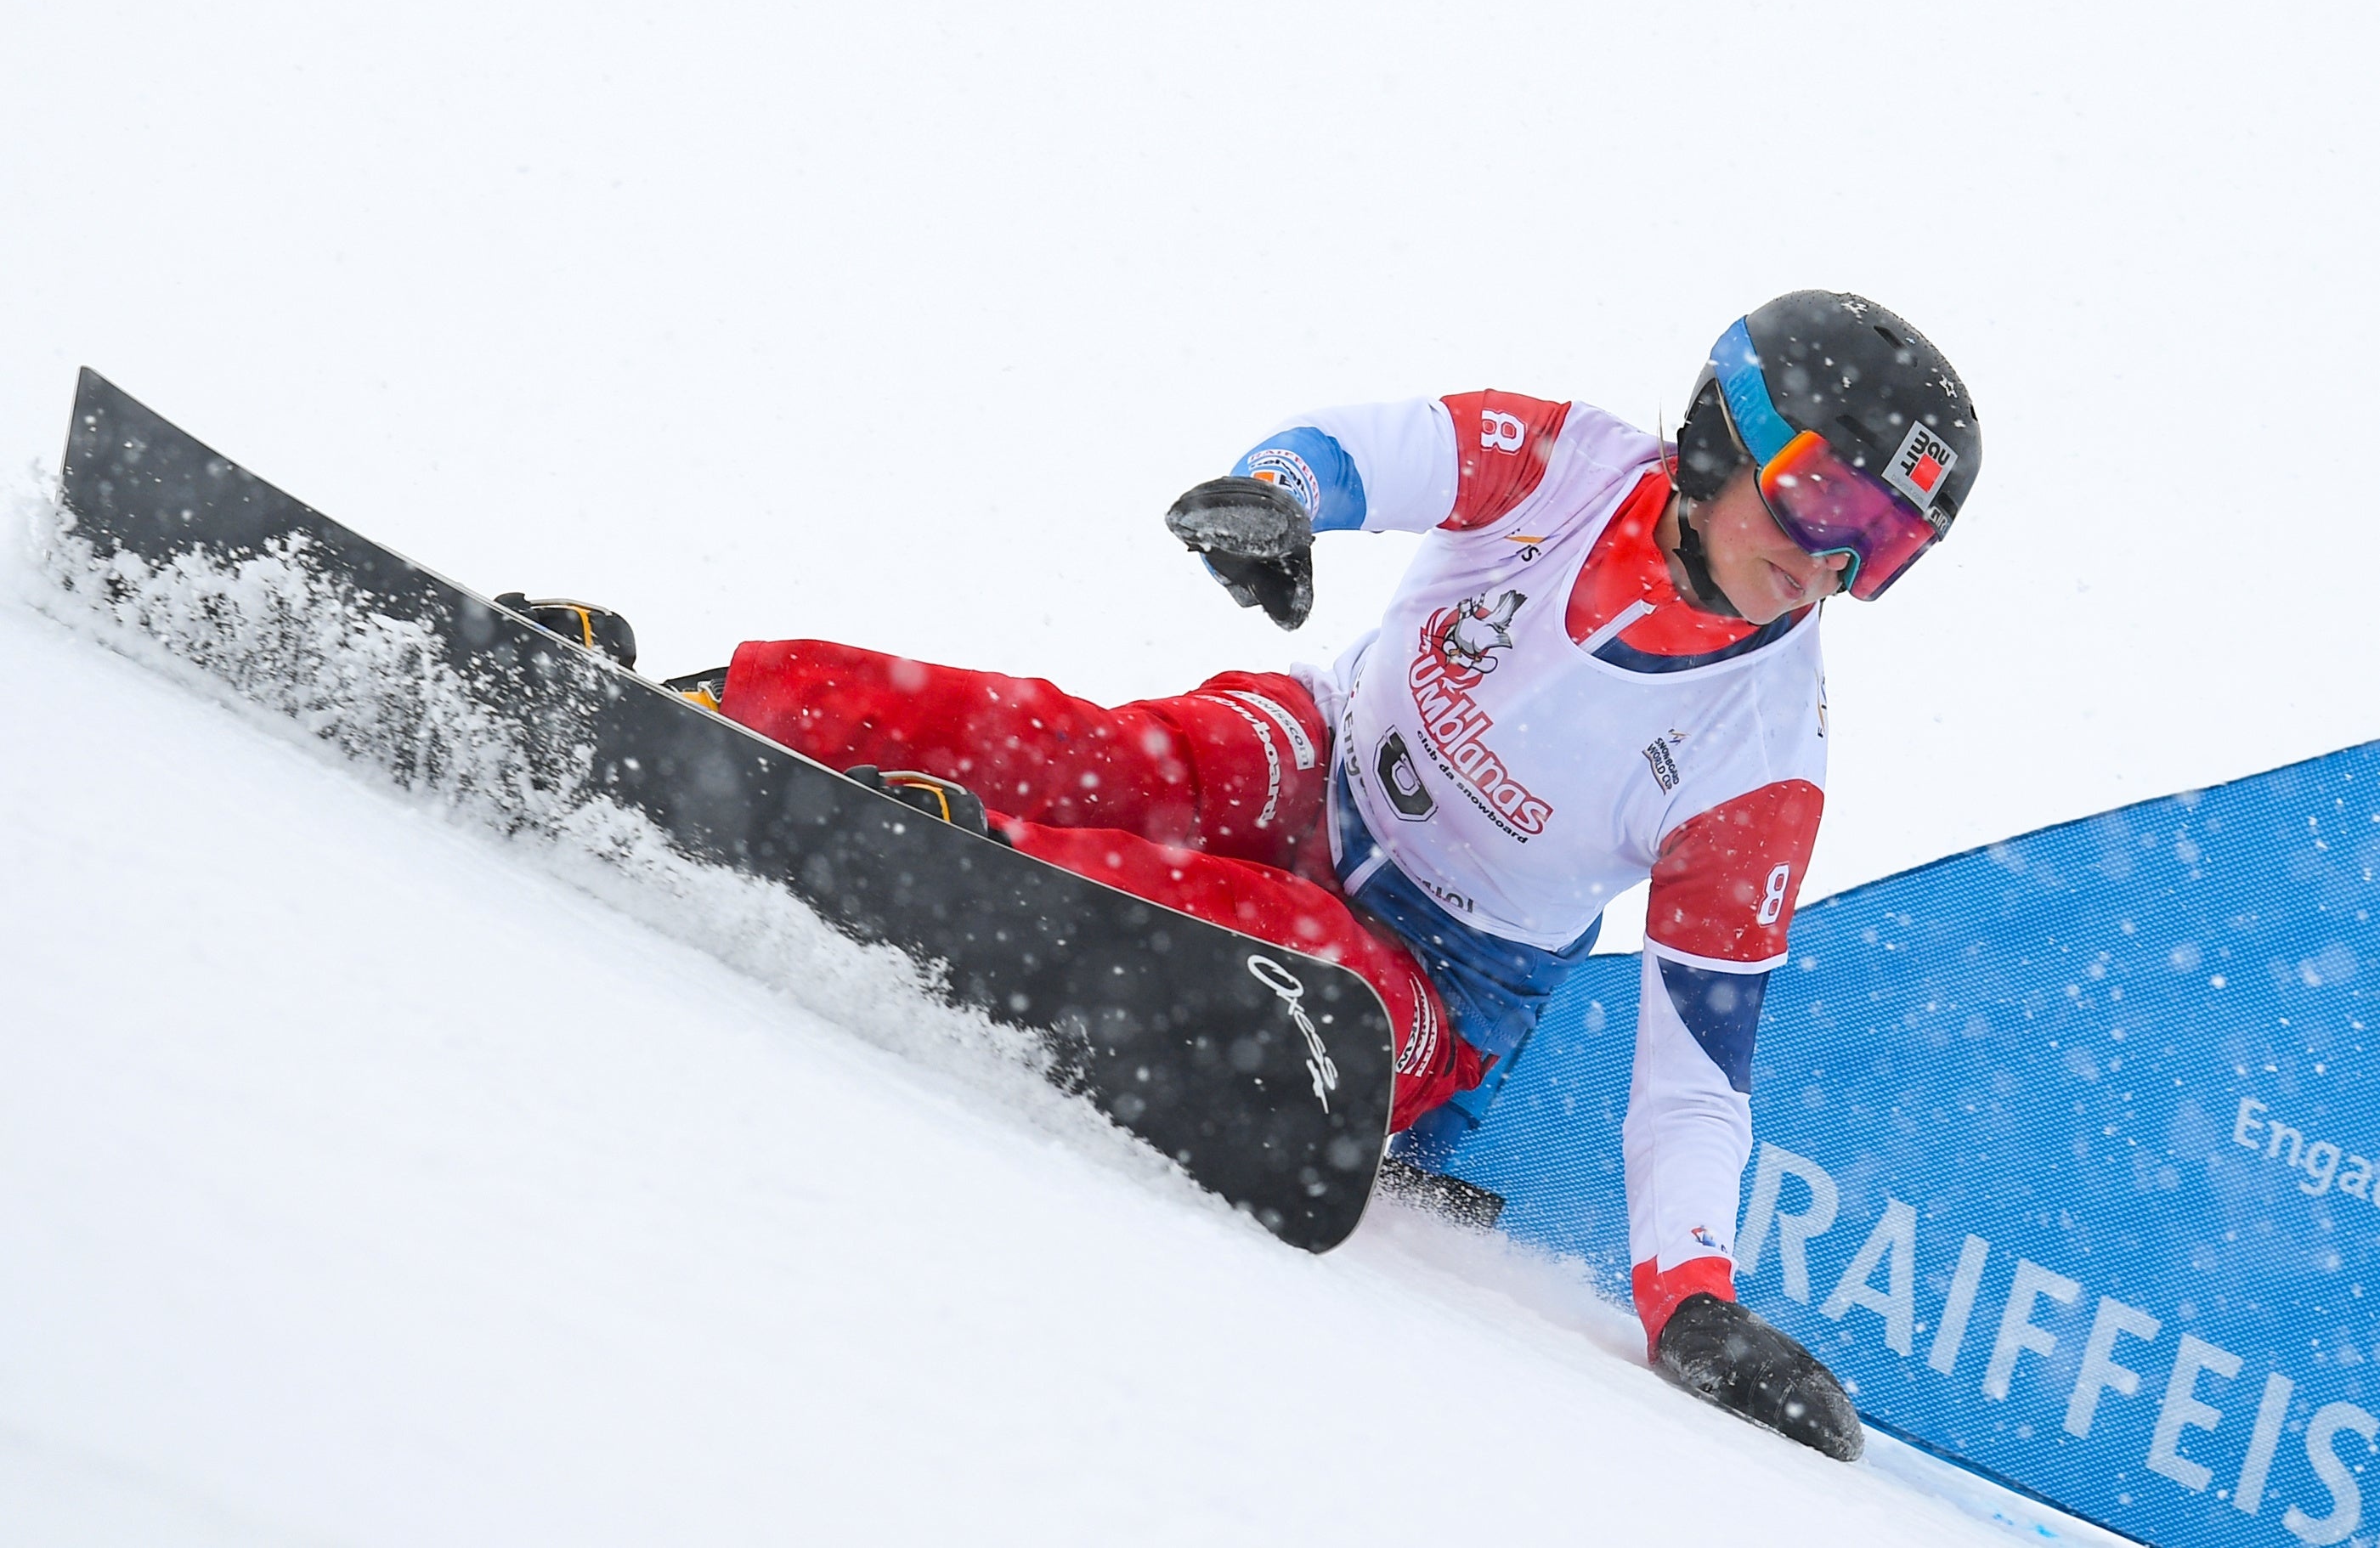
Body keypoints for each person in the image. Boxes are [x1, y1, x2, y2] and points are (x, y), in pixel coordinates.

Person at [520, 289, 1980, 1460]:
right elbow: (1383, 448)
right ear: (1722, 435)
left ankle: (957, 859)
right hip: (1317, 757)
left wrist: (1691, 1304)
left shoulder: (1759, 763)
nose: (1828, 568)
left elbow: (1696, 1073)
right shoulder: (1571, 468)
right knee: (1108, 753)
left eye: (1884, 551)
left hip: (1436, 988)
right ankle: (715, 710)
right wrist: (1281, 496)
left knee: (1282, 945)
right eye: (1821, 506)